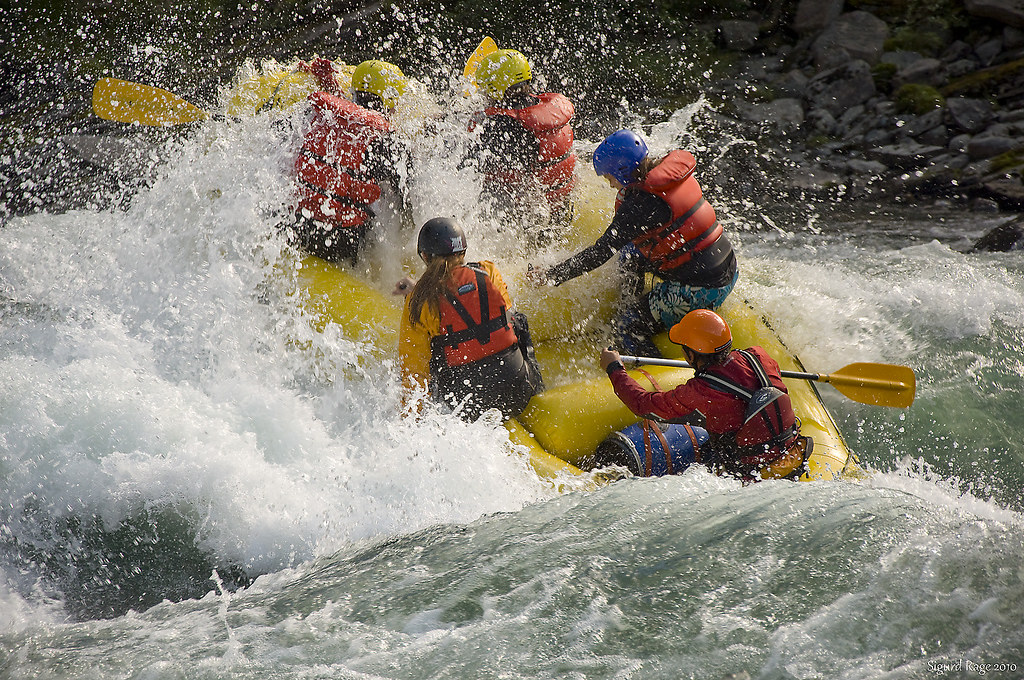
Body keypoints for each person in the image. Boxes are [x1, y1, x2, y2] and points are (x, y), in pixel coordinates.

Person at [528, 129, 738, 356]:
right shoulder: (666, 175)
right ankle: (638, 303)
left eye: (609, 178)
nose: (610, 185)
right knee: (629, 253)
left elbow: (599, 253)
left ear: (622, 171)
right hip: (728, 266)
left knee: (625, 326)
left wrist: (551, 276)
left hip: (704, 289)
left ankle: (648, 365)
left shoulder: (640, 206)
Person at [599, 309, 810, 481]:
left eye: (684, 349)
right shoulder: (758, 355)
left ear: (691, 355)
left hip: (751, 474)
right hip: (792, 453)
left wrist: (615, 369)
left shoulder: (701, 393)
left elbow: (643, 404)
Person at [397, 217, 544, 420]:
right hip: (517, 393)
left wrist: (410, 419)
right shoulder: (488, 271)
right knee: (517, 319)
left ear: (425, 256)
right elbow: (505, 317)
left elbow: (413, 369)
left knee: (433, 346)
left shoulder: (417, 301)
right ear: (463, 251)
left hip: (466, 405)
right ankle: (539, 393)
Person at [289, 59, 410, 265]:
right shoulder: (386, 140)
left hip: (298, 223)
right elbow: (404, 202)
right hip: (341, 241)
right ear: (389, 99)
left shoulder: (320, 113)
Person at [468, 48, 577, 238]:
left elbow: (470, 163)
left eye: (485, 88)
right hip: (561, 207)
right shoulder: (547, 107)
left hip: (525, 218)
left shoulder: (501, 125)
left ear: (496, 88)